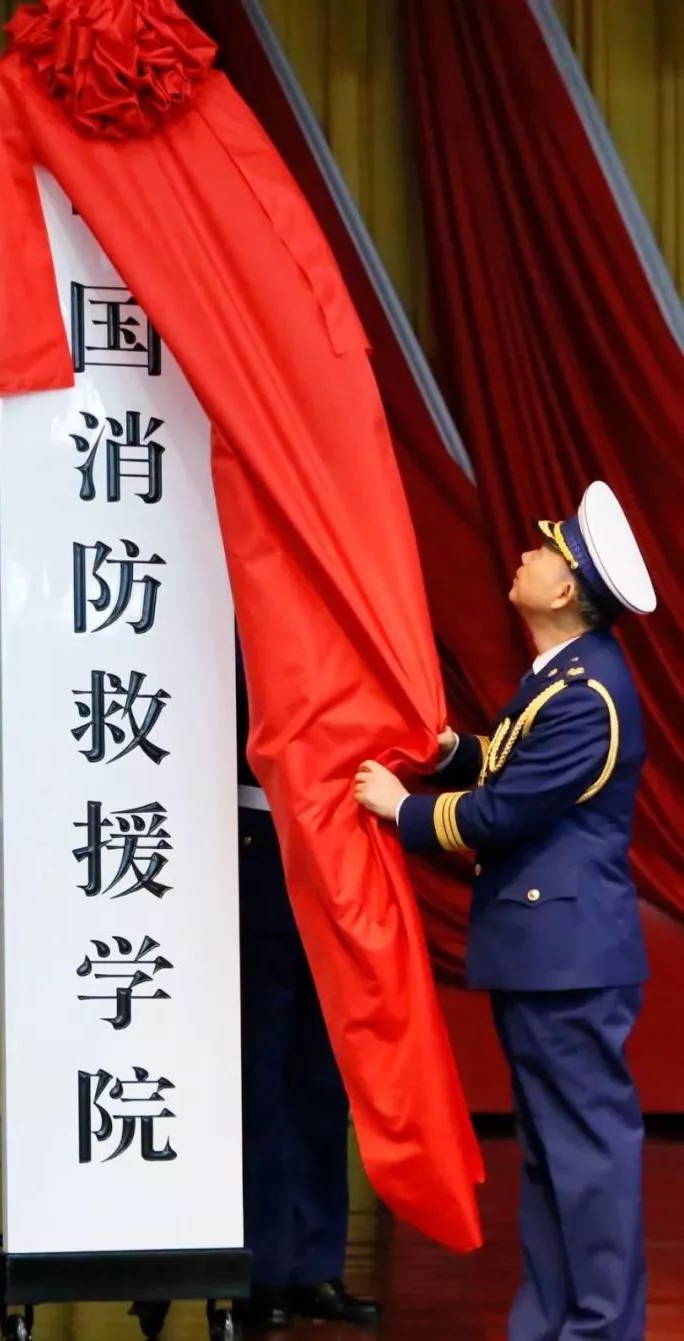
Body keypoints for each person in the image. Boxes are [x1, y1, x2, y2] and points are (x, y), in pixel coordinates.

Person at [355, 481, 656, 1341]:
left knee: (587, 1157)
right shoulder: (563, 678)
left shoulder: (585, 692)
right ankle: (555, 1320)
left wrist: (403, 809)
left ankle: (598, 1327)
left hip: (567, 958)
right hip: (549, 952)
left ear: (566, 591)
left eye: (546, 550)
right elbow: (513, 771)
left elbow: (506, 811)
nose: (527, 552)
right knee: (554, 1155)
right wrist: (457, 752)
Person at [236, 652, 380, 1331]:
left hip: (341, 844)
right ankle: (260, 1265)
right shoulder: (234, 608)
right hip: (255, 837)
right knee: (260, 1074)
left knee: (323, 1076)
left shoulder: (347, 606)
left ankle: (315, 1263)